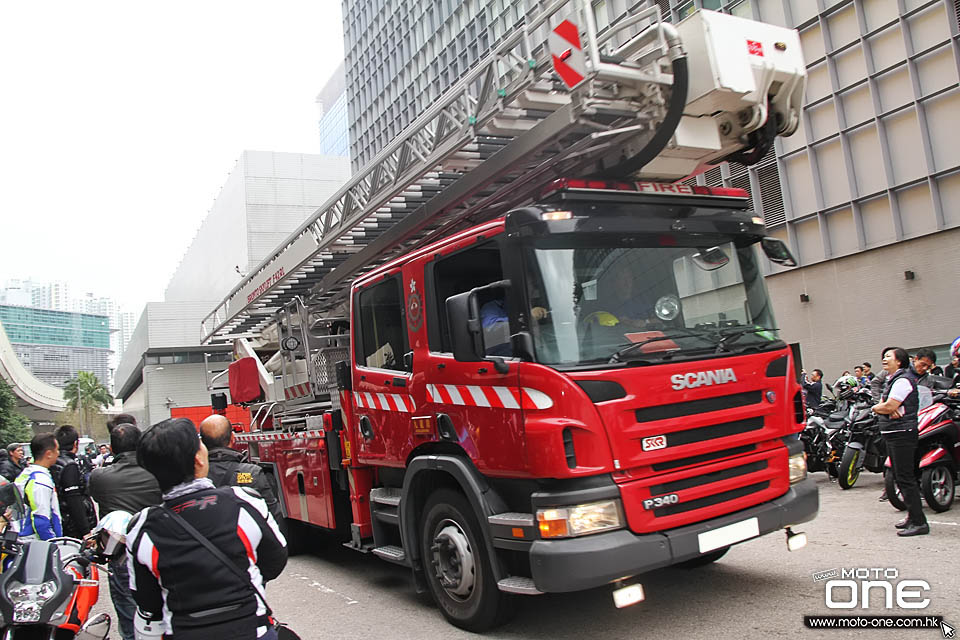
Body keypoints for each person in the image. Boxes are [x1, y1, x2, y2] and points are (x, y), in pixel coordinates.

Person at [127, 418, 287, 639]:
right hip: (252, 630)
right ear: (198, 460)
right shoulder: (245, 502)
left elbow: (147, 601)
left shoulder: (141, 527)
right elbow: (276, 559)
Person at [89, 423, 161, 640]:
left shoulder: (100, 477)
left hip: (121, 552)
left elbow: (96, 498)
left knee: (129, 615)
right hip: (158, 549)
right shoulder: (157, 473)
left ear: (111, 449)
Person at [872, 347, 928, 537]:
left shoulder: (903, 380)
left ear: (900, 361)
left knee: (905, 477)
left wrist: (878, 408)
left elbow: (889, 406)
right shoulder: (891, 380)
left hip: (902, 433)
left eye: (889, 357)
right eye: (884, 357)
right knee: (900, 476)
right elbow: (887, 406)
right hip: (893, 432)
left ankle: (919, 522)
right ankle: (913, 517)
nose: (884, 359)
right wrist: (885, 407)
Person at [199, 414, 284, 528]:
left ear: (202, 443)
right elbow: (272, 515)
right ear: (233, 438)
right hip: (247, 542)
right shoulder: (251, 473)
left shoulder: (194, 476)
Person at [51, 425, 97, 539]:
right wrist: (85, 531)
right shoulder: (69, 465)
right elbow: (74, 500)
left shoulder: (52, 462)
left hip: (60, 521)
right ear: (76, 444)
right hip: (73, 527)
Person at [14, 433, 62, 540]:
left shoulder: (26, 473)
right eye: (57, 449)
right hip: (36, 544)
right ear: (48, 454)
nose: (58, 453)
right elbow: (41, 519)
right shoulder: (40, 481)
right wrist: (54, 543)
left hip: (23, 538)